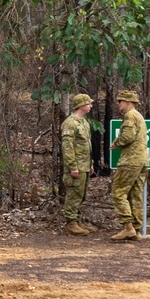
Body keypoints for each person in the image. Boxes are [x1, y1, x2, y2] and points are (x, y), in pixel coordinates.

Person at [109, 89, 148, 242]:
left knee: (118, 192)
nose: (119, 104)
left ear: (128, 102)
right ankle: (136, 230)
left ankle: (128, 227)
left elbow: (127, 137)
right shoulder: (139, 116)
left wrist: (116, 142)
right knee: (135, 194)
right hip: (142, 160)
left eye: (120, 101)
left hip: (131, 161)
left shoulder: (130, 116)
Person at [61, 93, 94, 235]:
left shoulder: (84, 122)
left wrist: (90, 164)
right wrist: (72, 166)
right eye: (88, 104)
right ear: (81, 106)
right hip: (76, 166)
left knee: (81, 195)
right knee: (74, 195)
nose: (91, 106)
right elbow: (67, 147)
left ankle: (77, 221)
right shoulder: (70, 123)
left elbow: (87, 145)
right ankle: (71, 223)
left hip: (84, 165)